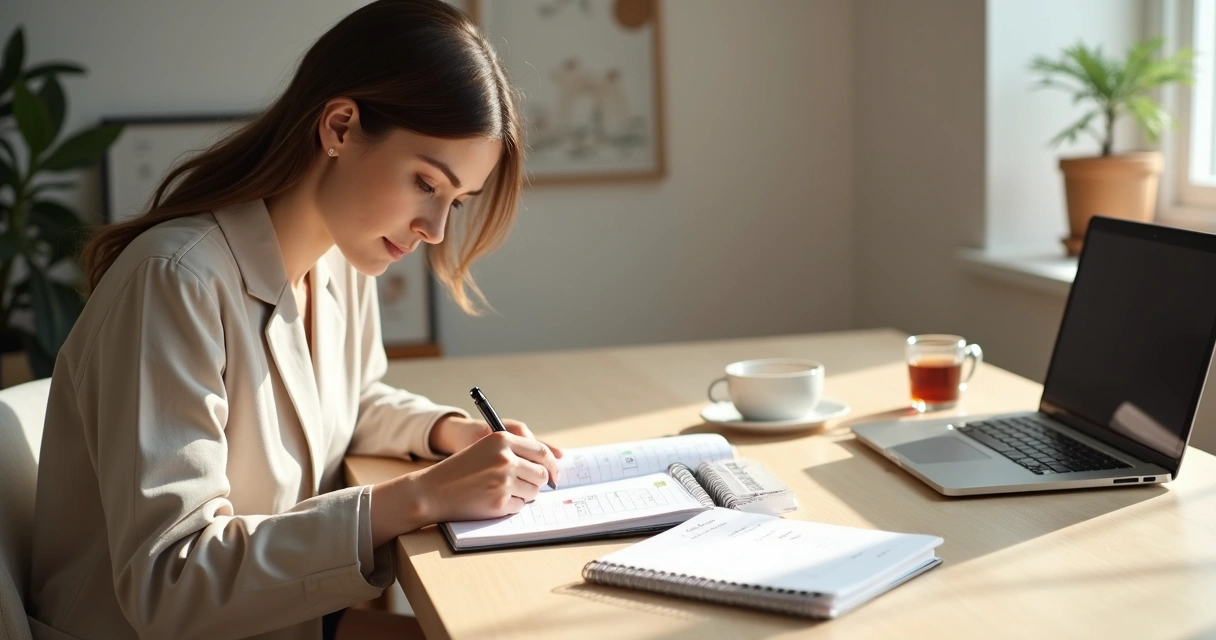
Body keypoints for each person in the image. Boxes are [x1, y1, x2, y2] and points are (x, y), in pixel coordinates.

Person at [27, 2, 560, 638]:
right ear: (340, 126)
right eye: (425, 182)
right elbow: (169, 579)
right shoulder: (175, 283)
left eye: (455, 201)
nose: (434, 229)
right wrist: (423, 497)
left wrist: (448, 434)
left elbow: (347, 404)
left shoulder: (338, 259)